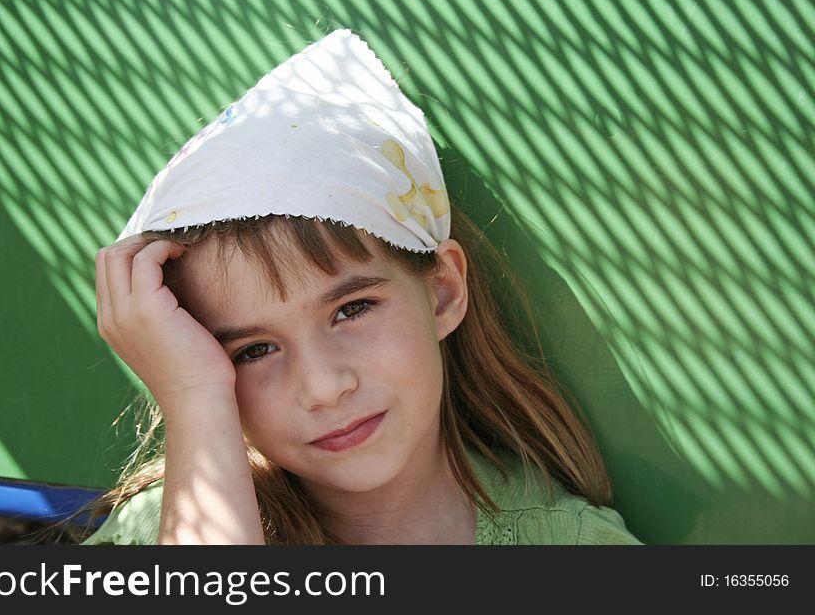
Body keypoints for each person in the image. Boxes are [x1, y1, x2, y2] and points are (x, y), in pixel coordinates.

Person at [81, 29, 641, 545]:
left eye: (351, 309)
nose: (323, 386)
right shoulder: (174, 523)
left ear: (442, 291)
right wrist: (193, 397)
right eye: (253, 350)